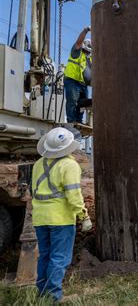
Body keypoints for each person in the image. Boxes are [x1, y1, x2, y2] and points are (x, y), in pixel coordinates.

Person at [32, 127, 92, 302]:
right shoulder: (69, 165)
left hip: (40, 218)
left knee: (45, 255)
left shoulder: (38, 163)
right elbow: (73, 195)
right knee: (59, 258)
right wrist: (84, 216)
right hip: (60, 219)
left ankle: (42, 294)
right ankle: (53, 297)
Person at [64, 26, 92, 123]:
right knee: (72, 102)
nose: (87, 52)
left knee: (83, 104)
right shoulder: (76, 52)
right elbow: (78, 42)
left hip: (83, 85)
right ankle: (71, 121)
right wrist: (85, 30)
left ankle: (79, 120)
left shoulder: (90, 59)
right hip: (72, 81)